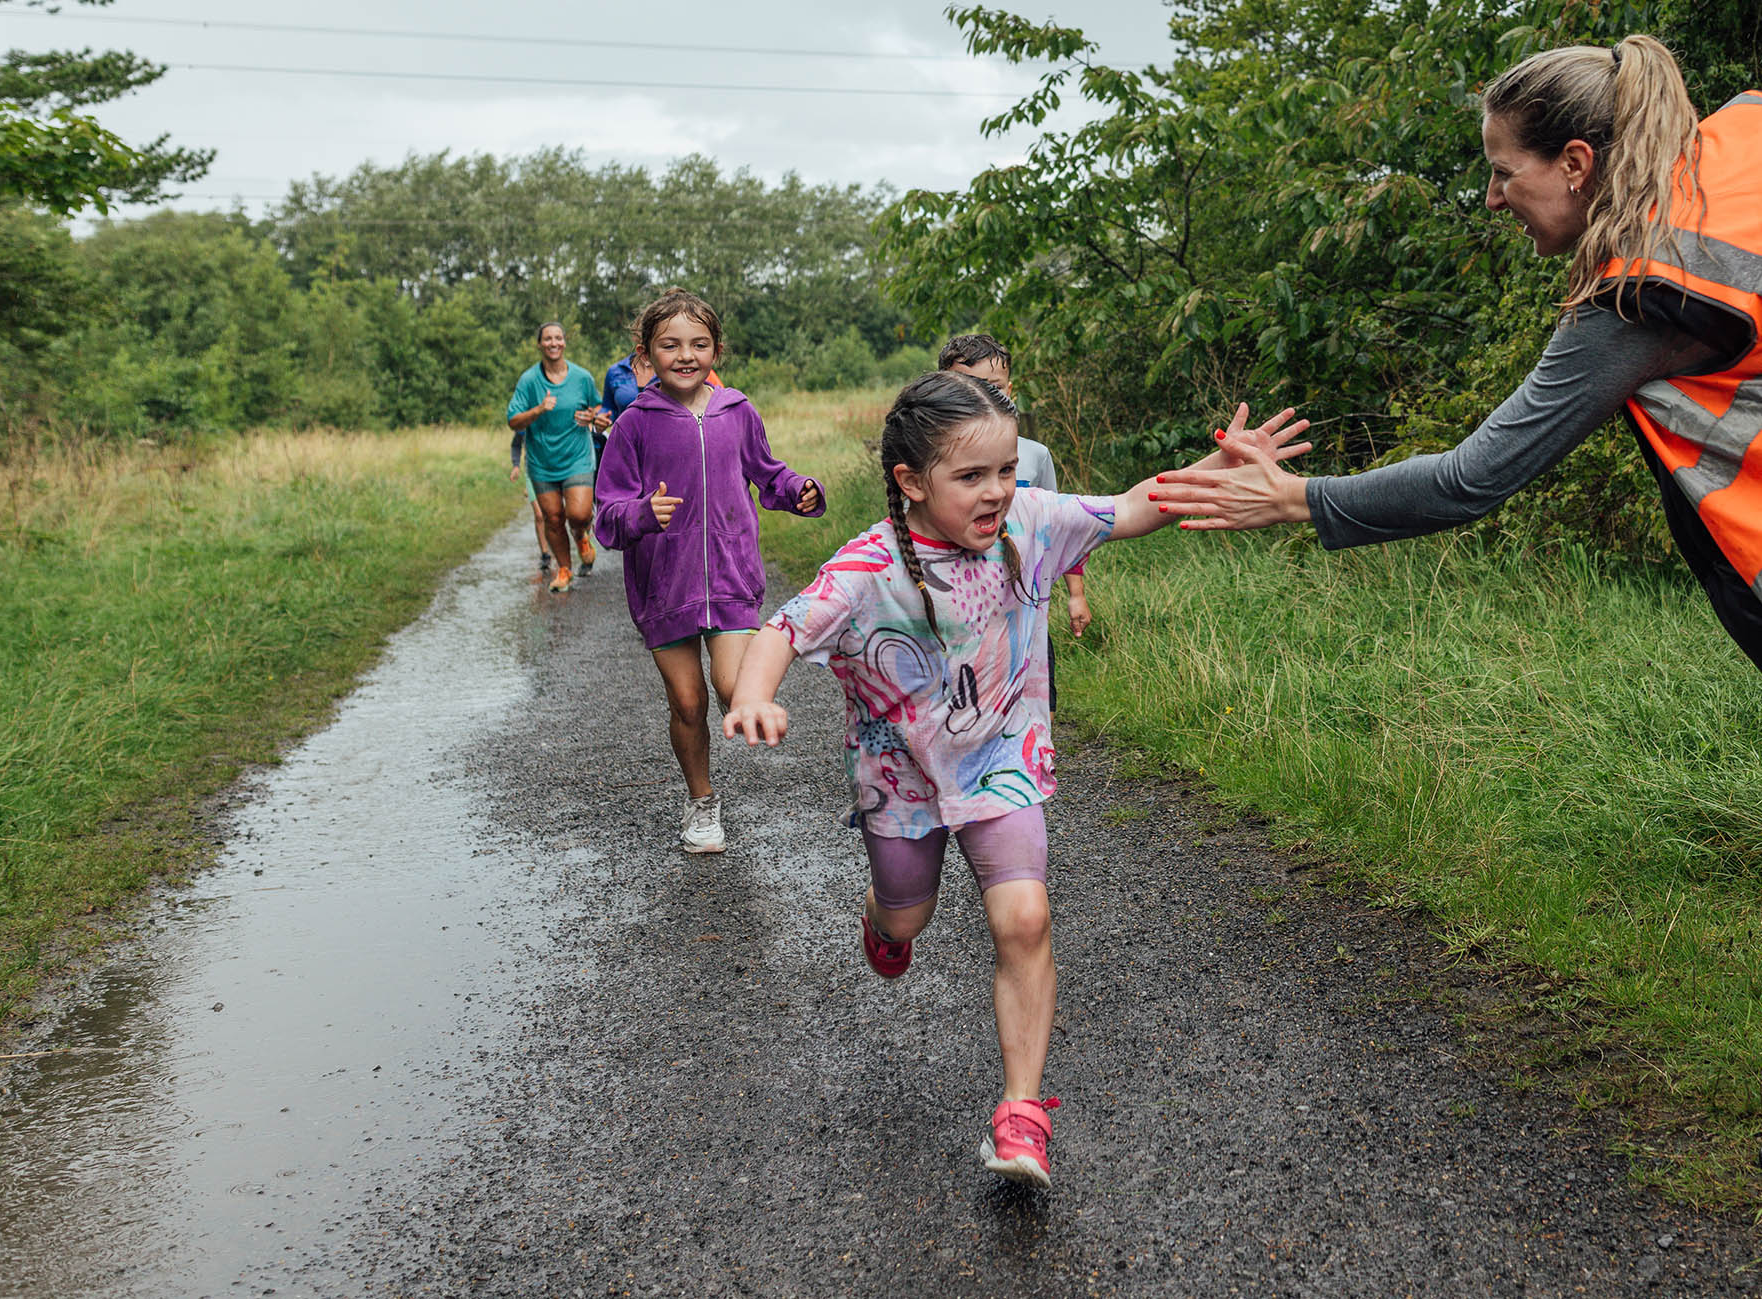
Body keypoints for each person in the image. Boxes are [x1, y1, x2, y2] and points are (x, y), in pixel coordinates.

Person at [722, 371, 1308, 1187]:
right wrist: (754, 694)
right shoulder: (869, 565)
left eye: (1005, 469)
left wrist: (1218, 476)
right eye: (971, 476)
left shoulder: (1029, 521)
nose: (997, 490)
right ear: (911, 482)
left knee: (1026, 917)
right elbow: (784, 626)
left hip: (1003, 757)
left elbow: (1133, 507)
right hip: (905, 776)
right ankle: (884, 921)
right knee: (907, 915)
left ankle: (1023, 1113)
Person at [1148, 37, 1762, 672]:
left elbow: (1469, 480)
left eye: (1504, 172)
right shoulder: (1740, 152)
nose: (1493, 199)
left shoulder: (1647, 294)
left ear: (1576, 163)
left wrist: (1293, 497)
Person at [593, 289, 825, 853]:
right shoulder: (634, 424)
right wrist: (643, 514)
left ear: (716, 349)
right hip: (662, 583)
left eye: (698, 344)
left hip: (730, 575)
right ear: (645, 355)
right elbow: (607, 514)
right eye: (669, 345)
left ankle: (746, 717)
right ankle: (702, 803)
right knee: (689, 702)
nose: (685, 355)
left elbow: (767, 472)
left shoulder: (736, 411)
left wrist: (796, 490)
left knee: (732, 688)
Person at [938, 334, 1092, 713]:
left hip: (1024, 610)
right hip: (955, 614)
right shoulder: (932, 456)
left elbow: (1062, 527)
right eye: (965, 387)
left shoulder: (1035, 456)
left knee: (1034, 711)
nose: (980, 399)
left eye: (991, 388)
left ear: (1010, 390)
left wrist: (1076, 594)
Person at [506, 322, 609, 593]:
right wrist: (538, 410)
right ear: (539, 344)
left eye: (558, 338)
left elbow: (598, 407)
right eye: (548, 338)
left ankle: (581, 535)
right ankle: (564, 569)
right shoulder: (529, 381)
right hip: (542, 463)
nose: (553, 343)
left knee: (578, 513)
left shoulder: (582, 377)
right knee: (552, 518)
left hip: (577, 456)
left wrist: (592, 416)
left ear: (564, 342)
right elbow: (513, 421)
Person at [508, 425, 554, 573]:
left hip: (554, 470)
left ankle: (559, 550)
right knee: (540, 515)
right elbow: (516, 444)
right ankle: (545, 554)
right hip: (532, 472)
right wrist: (516, 466)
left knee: (553, 515)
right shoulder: (525, 421)